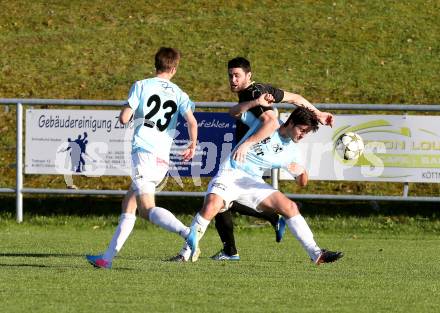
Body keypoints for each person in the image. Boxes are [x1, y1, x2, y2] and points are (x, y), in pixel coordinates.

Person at [174, 104, 343, 265]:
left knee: (290, 206)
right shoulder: (268, 124)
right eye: (302, 130)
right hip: (230, 172)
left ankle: (316, 253)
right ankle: (184, 254)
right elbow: (234, 112)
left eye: (307, 133)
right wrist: (255, 102)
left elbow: (302, 182)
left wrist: (301, 172)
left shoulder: (292, 150)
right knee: (212, 206)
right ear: (291, 122)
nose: (303, 135)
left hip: (252, 182)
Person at [210, 57, 334, 261]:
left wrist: (247, 144)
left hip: (245, 158)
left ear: (248, 76)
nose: (233, 80)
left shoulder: (253, 93)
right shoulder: (260, 89)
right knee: (221, 202)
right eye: (230, 75)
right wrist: (318, 113)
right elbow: (296, 98)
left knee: (219, 199)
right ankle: (240, 241)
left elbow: (270, 121)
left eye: (237, 75)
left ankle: (228, 250)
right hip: (249, 156)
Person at [86, 47, 198, 269]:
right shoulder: (179, 93)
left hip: (144, 154)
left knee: (146, 209)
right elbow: (192, 122)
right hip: (162, 159)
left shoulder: (142, 85)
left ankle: (187, 233)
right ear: (174, 69)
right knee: (129, 202)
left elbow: (124, 118)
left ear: (155, 64)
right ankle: (106, 259)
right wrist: (193, 145)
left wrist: (129, 111)